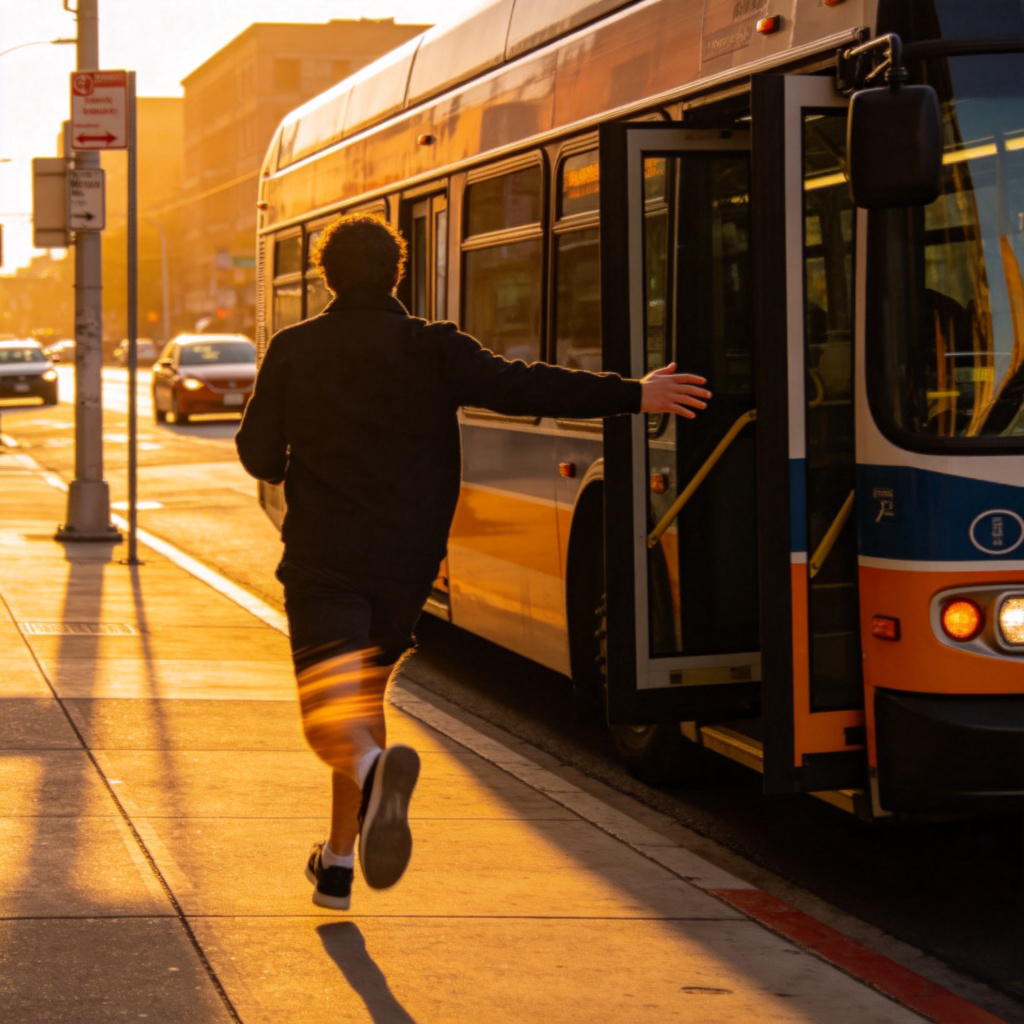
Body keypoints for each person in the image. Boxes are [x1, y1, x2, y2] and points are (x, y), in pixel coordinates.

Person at [235, 213, 711, 911]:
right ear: (399, 273)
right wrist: (634, 394)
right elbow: (525, 386)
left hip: (325, 558)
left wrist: (286, 462)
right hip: (408, 563)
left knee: (327, 710)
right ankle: (338, 865)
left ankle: (371, 774)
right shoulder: (433, 348)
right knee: (361, 698)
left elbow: (257, 455)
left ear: (325, 277)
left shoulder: (295, 348)